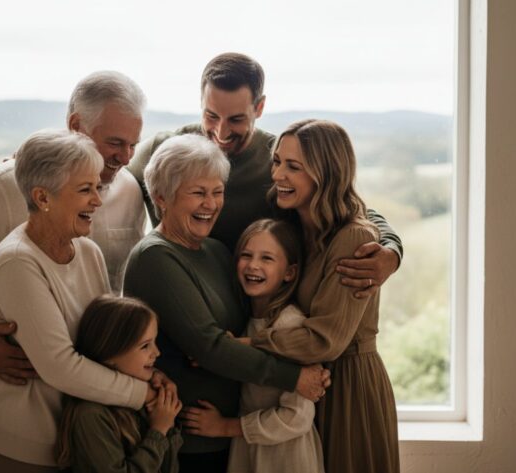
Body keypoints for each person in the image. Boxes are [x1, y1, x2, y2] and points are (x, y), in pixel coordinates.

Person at [123, 134, 330, 473]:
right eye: (197, 192)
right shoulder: (154, 257)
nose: (211, 204)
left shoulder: (217, 251)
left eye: (217, 192)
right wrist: (294, 378)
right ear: (162, 197)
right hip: (191, 436)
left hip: (236, 437)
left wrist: (224, 347)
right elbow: (210, 346)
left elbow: (235, 334)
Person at [0, 71, 149, 388]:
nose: (125, 156)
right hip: (16, 393)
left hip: (94, 397)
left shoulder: (130, 189)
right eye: (114, 143)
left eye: (133, 145)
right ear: (77, 126)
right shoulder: (5, 187)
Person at [128, 52, 403, 297]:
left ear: (259, 108)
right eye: (211, 116)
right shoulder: (162, 151)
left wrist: (392, 251)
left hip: (259, 308)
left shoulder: (279, 160)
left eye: (236, 119)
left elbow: (347, 203)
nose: (221, 133)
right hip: (178, 296)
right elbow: (106, 181)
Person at [0, 130, 155, 472]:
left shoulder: (87, 251)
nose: (97, 200)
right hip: (15, 445)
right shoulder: (17, 262)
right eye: (85, 190)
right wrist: (144, 395)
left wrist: (151, 374)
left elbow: (102, 341)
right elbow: (61, 366)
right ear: (42, 197)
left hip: (68, 443)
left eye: (97, 187)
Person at [253, 119, 400, 473]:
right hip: (304, 387)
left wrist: (242, 345)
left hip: (347, 387)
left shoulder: (352, 237)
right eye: (277, 162)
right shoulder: (290, 220)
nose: (278, 175)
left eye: (294, 167)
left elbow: (325, 341)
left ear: (326, 174)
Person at [181, 218, 324, 473]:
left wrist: (224, 427)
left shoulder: (290, 325)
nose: (253, 265)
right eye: (246, 255)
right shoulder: (246, 320)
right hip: (249, 449)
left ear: (289, 272)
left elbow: (298, 417)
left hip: (284, 455)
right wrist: (214, 357)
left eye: (267, 258)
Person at [57, 295, 183, 473]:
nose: (157, 352)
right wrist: (159, 430)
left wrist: (167, 424)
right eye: (145, 346)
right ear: (110, 355)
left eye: (154, 342)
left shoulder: (147, 398)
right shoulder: (90, 415)